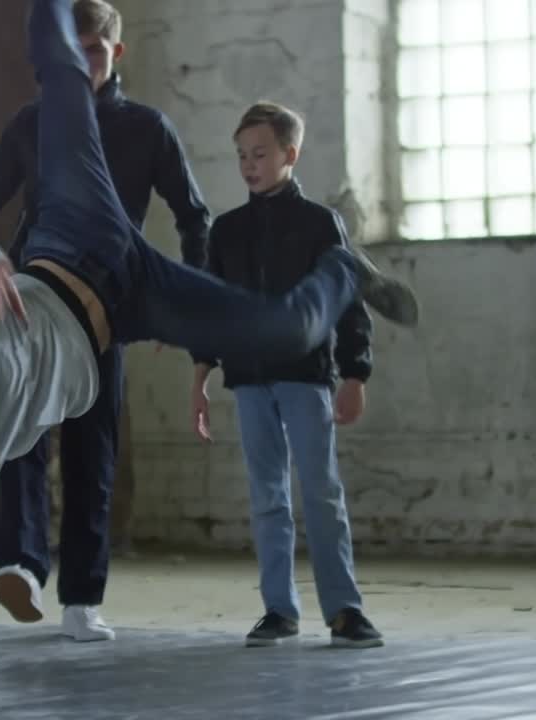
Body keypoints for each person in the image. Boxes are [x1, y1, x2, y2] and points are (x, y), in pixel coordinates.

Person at [0, 0, 416, 692]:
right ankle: (347, 269)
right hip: (129, 304)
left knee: (58, 71)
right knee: (289, 331)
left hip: (74, 233)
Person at [0, 0, 212, 642]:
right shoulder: (32, 123)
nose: (80, 63)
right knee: (21, 437)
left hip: (105, 311)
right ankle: (22, 565)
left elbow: (194, 215)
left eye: (92, 51)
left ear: (115, 55)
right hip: (36, 303)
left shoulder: (148, 129)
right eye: (70, 50)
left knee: (94, 451)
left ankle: (82, 600)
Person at [190, 101, 383, 650]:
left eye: (261, 153)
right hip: (249, 381)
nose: (249, 165)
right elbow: (213, 307)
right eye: (242, 156)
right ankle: (279, 609)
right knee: (267, 496)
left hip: (305, 378)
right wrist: (199, 376)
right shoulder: (225, 232)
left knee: (320, 491)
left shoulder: (322, 225)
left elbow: (350, 305)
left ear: (289, 155)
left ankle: (345, 610)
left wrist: (355, 373)